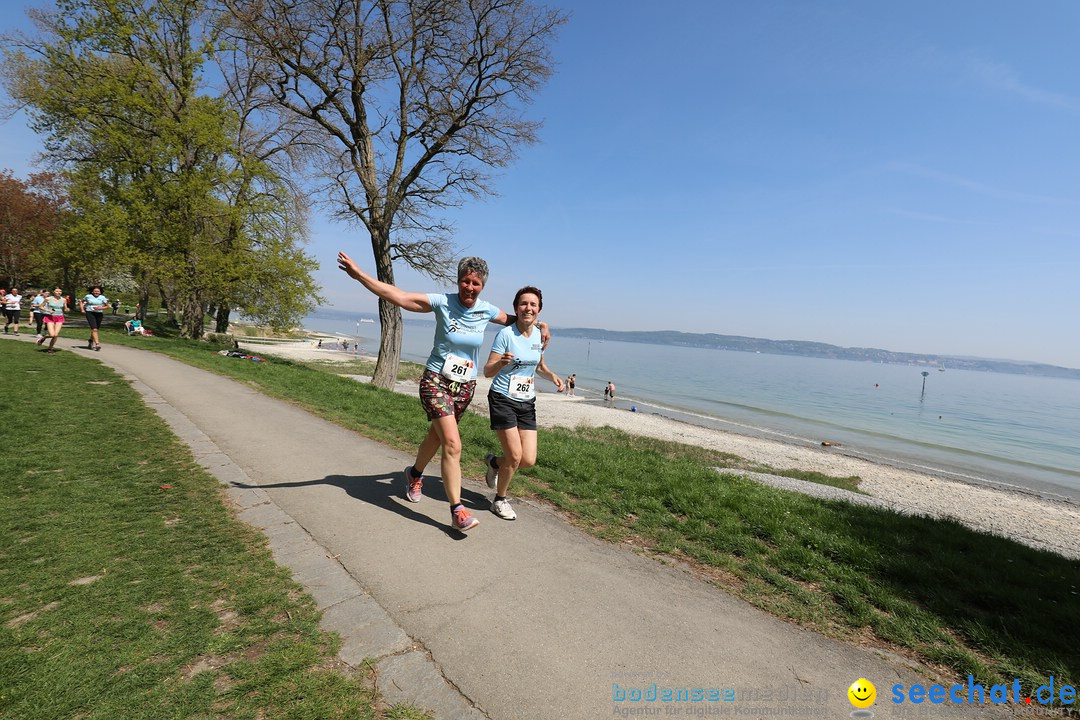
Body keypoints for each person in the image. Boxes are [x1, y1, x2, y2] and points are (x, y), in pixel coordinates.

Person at [337, 251, 548, 532]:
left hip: (465, 387)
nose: (469, 288)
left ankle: (414, 474)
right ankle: (457, 510)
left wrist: (545, 326)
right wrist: (361, 275)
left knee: (436, 438)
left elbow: (521, 319)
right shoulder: (442, 303)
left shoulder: (486, 310)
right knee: (453, 444)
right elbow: (398, 296)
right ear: (458, 281)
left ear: (482, 285)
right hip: (436, 381)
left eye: (475, 283)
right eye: (465, 281)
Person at [482, 287, 562, 520]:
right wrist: (501, 364)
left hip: (527, 402)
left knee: (528, 460)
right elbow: (487, 371)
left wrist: (552, 376)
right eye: (523, 304)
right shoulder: (506, 335)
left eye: (533, 304)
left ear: (539, 309)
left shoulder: (539, 335)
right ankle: (499, 500)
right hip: (502, 399)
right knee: (515, 457)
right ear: (516, 307)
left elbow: (538, 366)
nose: (528, 308)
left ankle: (494, 463)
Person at [36, 288, 68, 354]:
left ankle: (50, 348)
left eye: (60, 291)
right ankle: (43, 338)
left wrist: (67, 309)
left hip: (59, 317)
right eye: (57, 291)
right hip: (50, 317)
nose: (59, 292)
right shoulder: (48, 299)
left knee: (55, 335)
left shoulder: (64, 300)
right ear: (53, 292)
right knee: (52, 334)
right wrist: (48, 310)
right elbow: (40, 306)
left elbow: (65, 308)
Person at [79, 286, 109, 351]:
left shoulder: (102, 297)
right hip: (90, 313)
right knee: (94, 329)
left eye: (98, 291)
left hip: (99, 314)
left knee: (95, 329)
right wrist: (82, 309)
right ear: (92, 291)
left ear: (100, 292)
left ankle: (90, 341)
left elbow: (107, 306)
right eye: (95, 291)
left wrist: (100, 308)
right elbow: (81, 301)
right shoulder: (88, 296)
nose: (96, 292)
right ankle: (97, 344)